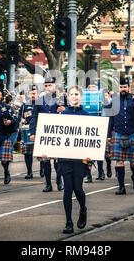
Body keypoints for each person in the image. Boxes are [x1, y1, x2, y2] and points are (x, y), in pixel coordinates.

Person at [57, 85, 91, 234]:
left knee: (78, 189)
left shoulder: (87, 115)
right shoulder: (62, 116)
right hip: (65, 159)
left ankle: (83, 209)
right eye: (71, 94)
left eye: (76, 94)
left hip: (80, 160)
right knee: (67, 189)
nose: (74, 96)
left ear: (80, 97)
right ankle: (68, 221)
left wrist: (92, 157)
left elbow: (91, 139)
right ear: (68, 97)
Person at [107, 77, 134, 195]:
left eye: (125, 87)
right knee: (119, 162)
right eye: (121, 87)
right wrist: (109, 134)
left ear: (128, 87)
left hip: (133, 132)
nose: (123, 89)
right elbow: (110, 119)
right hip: (119, 133)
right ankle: (121, 187)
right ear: (118, 88)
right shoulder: (114, 101)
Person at [29, 76, 65, 192]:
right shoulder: (40, 100)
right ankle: (48, 183)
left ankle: (59, 180)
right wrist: (33, 132)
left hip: (58, 133)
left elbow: (70, 114)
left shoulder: (62, 98)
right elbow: (34, 117)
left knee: (57, 160)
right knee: (45, 160)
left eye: (50, 85)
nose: (48, 88)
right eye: (46, 86)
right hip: (43, 133)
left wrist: (63, 110)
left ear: (55, 86)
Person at [20, 85, 38, 179]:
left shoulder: (41, 104)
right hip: (28, 131)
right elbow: (20, 116)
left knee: (40, 153)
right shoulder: (25, 105)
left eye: (34, 93)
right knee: (27, 153)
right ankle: (29, 171)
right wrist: (22, 119)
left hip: (39, 129)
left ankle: (42, 169)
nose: (32, 95)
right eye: (31, 93)